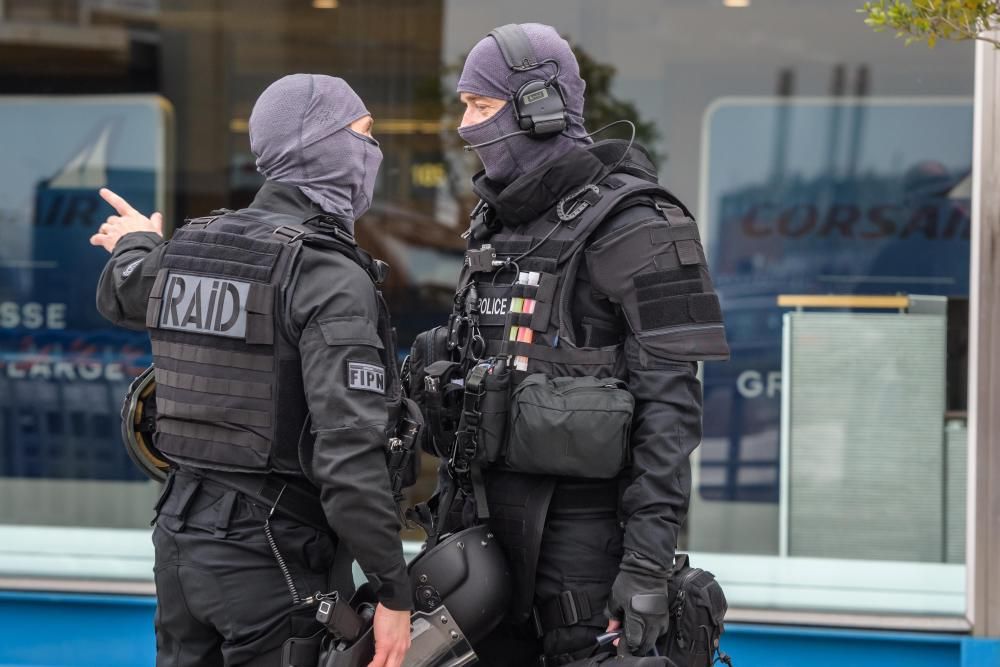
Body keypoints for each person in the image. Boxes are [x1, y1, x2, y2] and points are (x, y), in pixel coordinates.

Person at [413, 23, 730, 666]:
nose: (464, 126)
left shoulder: (641, 224)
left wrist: (645, 568)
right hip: (482, 546)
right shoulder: (495, 220)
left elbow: (669, 416)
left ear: (540, 107)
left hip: (587, 554)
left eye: (480, 106)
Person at [91, 74, 412, 667]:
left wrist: (136, 240)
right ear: (321, 145)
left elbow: (123, 290)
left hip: (178, 542)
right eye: (364, 135)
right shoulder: (326, 276)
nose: (374, 154)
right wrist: (395, 590)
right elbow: (347, 452)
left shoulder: (192, 246)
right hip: (273, 556)